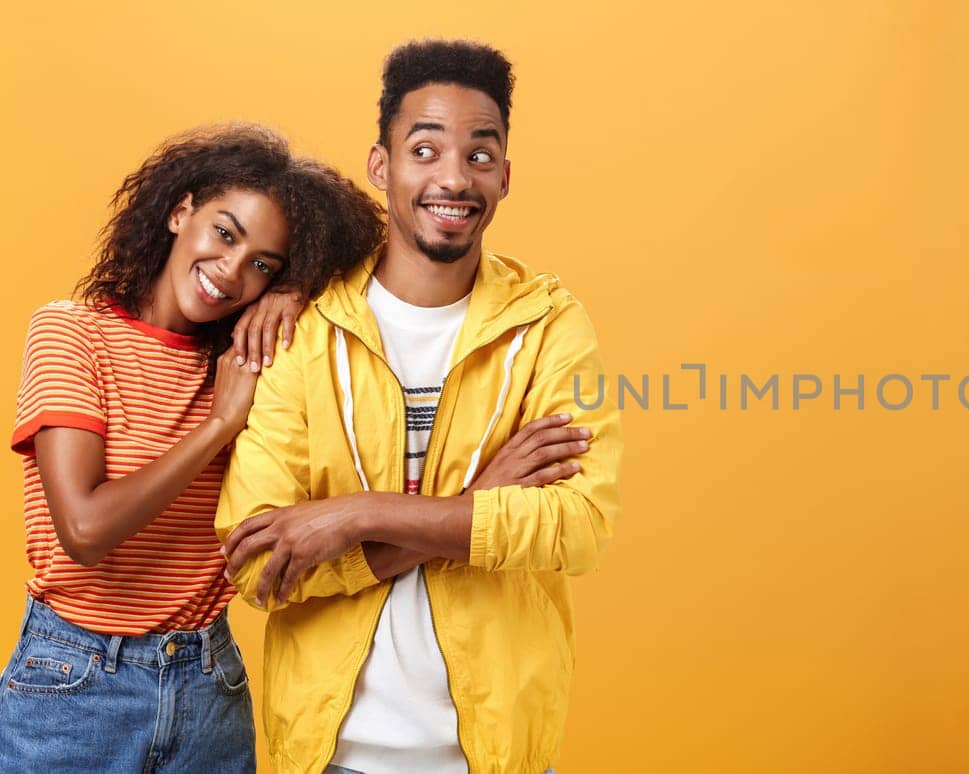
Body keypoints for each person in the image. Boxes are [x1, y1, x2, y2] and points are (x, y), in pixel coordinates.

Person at [217, 40, 623, 774]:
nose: (453, 178)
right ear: (383, 167)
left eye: (479, 154)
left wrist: (354, 514)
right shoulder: (304, 331)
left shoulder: (550, 327)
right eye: (426, 148)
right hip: (330, 756)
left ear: (503, 175)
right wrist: (478, 506)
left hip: (497, 756)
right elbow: (258, 559)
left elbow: (579, 525)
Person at [0, 123, 386, 770]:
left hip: (211, 681)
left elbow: (384, 256)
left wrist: (296, 289)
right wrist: (219, 426)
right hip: (74, 683)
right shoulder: (72, 334)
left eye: (263, 264)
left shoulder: (251, 361)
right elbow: (85, 528)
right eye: (224, 233)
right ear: (181, 212)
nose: (231, 272)